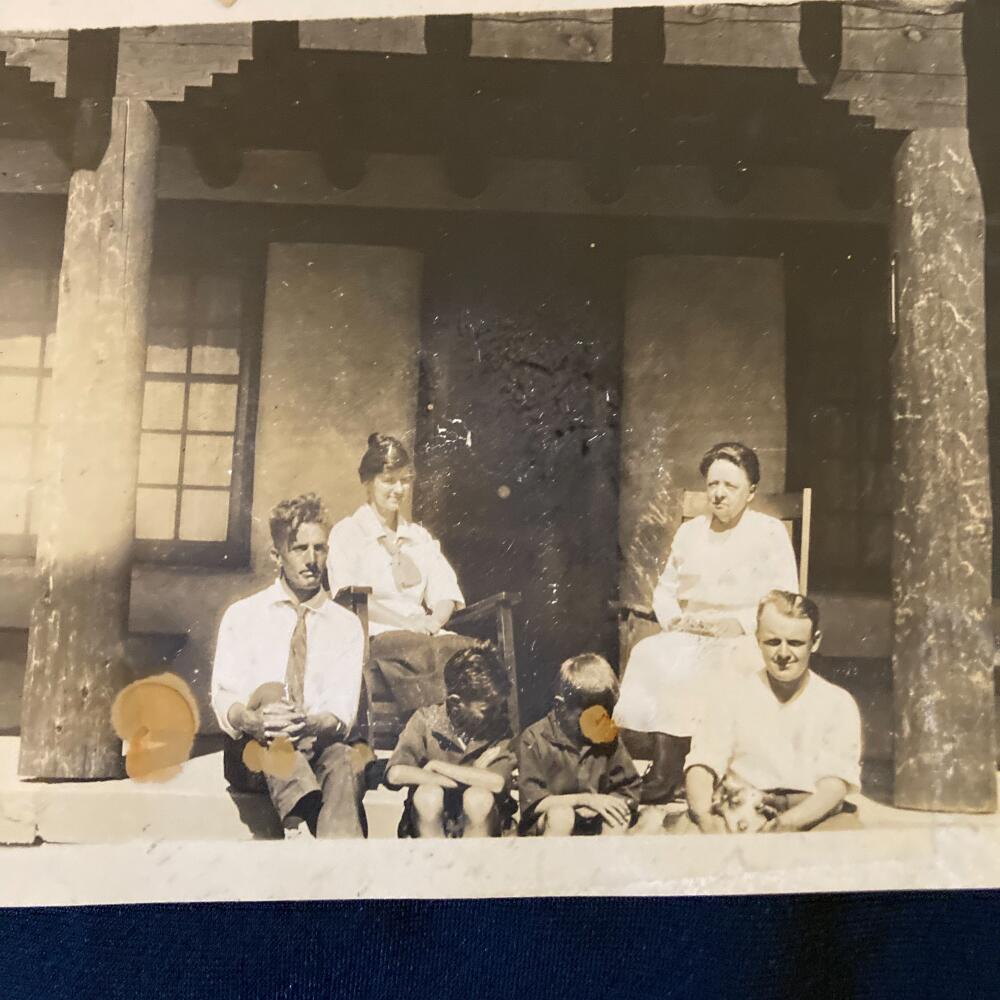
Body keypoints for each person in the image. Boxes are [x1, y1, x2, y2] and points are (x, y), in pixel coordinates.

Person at [614, 441, 800, 804]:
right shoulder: (691, 532)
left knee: (720, 665)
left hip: (747, 632)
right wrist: (677, 620)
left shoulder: (769, 532)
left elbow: (784, 597)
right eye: (712, 484)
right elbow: (664, 591)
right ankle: (667, 768)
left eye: (730, 486)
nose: (718, 494)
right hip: (692, 630)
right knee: (652, 653)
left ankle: (708, 770)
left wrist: (742, 623)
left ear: (751, 492)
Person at [210, 493, 371, 839]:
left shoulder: (344, 625)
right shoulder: (244, 615)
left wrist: (307, 722)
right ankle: (299, 824)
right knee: (272, 716)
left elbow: (342, 714)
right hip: (255, 750)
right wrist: (255, 721)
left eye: (320, 548)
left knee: (343, 759)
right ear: (276, 555)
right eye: (300, 549)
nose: (312, 560)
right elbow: (225, 698)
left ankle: (340, 862)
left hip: (317, 744)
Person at [681, 590, 863, 834]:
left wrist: (787, 823)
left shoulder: (837, 703)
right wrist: (706, 819)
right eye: (773, 642)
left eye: (796, 643)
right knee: (687, 840)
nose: (784, 654)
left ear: (815, 641)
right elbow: (702, 767)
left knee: (843, 845)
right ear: (757, 639)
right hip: (741, 807)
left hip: (811, 812)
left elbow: (834, 786)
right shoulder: (730, 695)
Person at [327, 433, 478, 715]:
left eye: (405, 480)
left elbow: (444, 591)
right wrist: (408, 624)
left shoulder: (419, 537)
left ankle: (477, 740)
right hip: (377, 634)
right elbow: (349, 597)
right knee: (421, 650)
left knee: (468, 651)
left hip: (424, 633)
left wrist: (433, 621)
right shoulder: (348, 533)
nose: (398, 488)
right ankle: (437, 730)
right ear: (367, 482)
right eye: (388, 480)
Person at [385, 643, 516, 838]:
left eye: (498, 707)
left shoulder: (498, 727)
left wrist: (437, 766)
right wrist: (474, 775)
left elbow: (496, 782)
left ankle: (476, 867)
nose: (495, 715)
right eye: (486, 710)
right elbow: (395, 774)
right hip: (433, 821)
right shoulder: (427, 720)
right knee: (427, 795)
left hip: (481, 823)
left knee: (478, 798)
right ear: (455, 703)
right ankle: (435, 865)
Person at [517, 653, 641, 836]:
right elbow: (533, 803)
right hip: (550, 821)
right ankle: (555, 865)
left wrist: (607, 804)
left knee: (617, 818)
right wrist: (585, 800)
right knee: (561, 816)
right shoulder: (534, 739)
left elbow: (629, 789)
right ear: (560, 706)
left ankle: (607, 863)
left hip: (594, 820)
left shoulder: (608, 737)